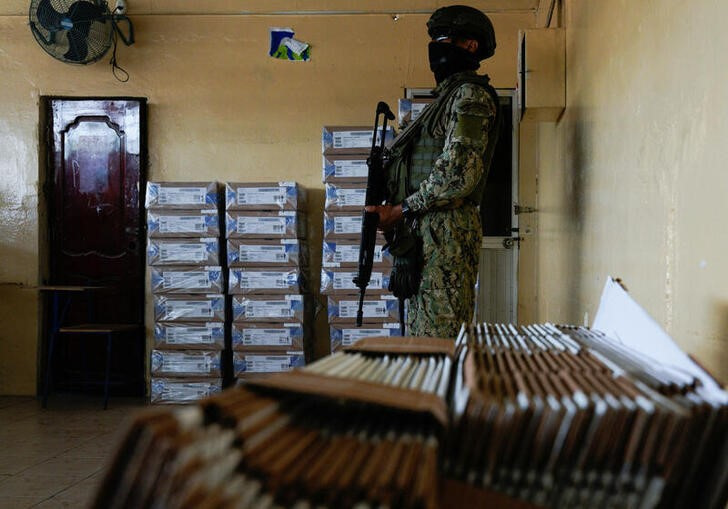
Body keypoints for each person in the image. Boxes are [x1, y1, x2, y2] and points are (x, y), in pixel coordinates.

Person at [365, 5, 501, 338]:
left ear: (469, 45)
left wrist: (401, 210)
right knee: (421, 337)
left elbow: (458, 172)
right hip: (425, 232)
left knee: (439, 342)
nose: (436, 49)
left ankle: (440, 391)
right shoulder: (444, 100)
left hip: (446, 234)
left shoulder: (470, 96)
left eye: (444, 40)